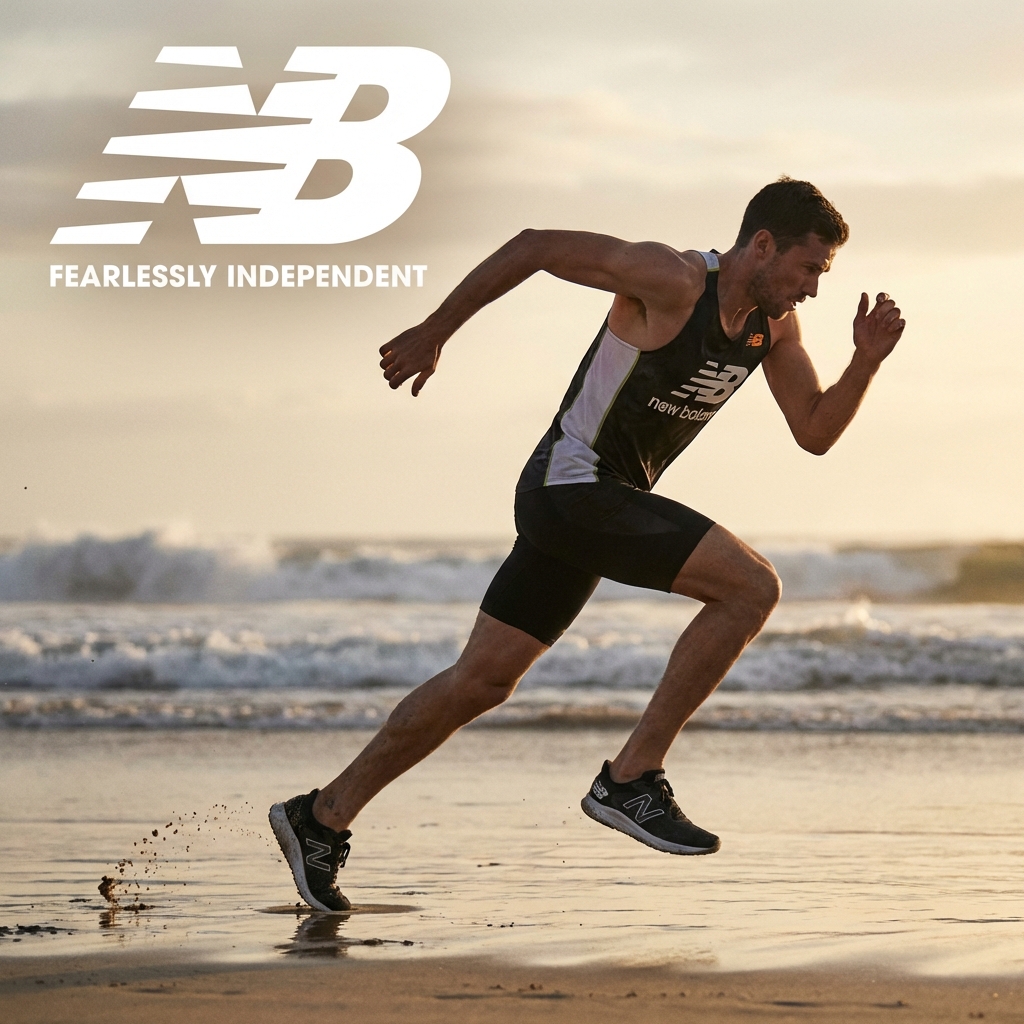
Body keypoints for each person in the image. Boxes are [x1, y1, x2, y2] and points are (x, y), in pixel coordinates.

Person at [269, 177, 905, 911]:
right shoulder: (670, 280)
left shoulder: (773, 331)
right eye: (809, 268)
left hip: (593, 508)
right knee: (751, 587)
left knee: (481, 682)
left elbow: (815, 431)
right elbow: (535, 246)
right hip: (570, 488)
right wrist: (436, 330)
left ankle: (321, 817)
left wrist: (865, 362)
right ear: (763, 245)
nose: (814, 289)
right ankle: (631, 778)